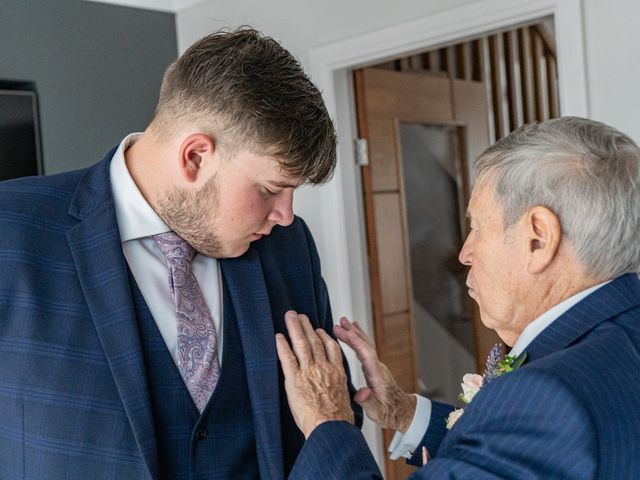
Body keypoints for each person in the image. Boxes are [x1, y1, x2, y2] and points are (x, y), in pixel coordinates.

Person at [0, 27, 361, 479]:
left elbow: (331, 424)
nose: (286, 216)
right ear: (195, 157)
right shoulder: (9, 231)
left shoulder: (289, 248)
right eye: (271, 189)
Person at [276, 116, 640, 479]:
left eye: (477, 227)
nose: (465, 253)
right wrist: (405, 413)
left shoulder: (550, 396)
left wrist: (328, 422)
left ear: (538, 239)